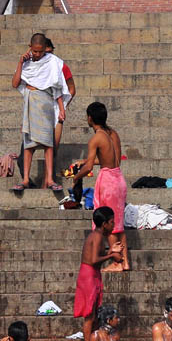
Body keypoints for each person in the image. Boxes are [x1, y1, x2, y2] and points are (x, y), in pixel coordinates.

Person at [70, 102, 130, 270]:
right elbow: (111, 159)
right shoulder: (114, 134)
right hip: (119, 180)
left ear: (90, 118)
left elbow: (89, 168)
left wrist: (76, 177)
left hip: (108, 183)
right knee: (118, 225)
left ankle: (117, 262)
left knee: (109, 225)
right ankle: (125, 262)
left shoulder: (96, 138)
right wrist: (85, 162)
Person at [75, 206, 123, 341]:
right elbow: (94, 259)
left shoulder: (99, 237)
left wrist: (110, 251)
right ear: (104, 224)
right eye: (111, 222)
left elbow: (97, 255)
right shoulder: (95, 236)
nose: (113, 224)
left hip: (92, 275)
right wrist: (111, 255)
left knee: (93, 315)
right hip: (88, 276)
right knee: (90, 317)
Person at [11, 32, 70, 192]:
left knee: (48, 143)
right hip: (31, 102)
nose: (37, 54)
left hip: (46, 103)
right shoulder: (26, 63)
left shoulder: (52, 62)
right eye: (35, 51)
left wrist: (61, 108)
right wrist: (20, 62)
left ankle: (50, 179)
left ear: (46, 49)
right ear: (30, 48)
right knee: (29, 143)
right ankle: (24, 180)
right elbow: (15, 83)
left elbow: (57, 87)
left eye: (40, 51)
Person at [45, 38, 75, 171]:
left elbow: (72, 88)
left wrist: (62, 107)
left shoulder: (60, 65)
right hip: (39, 109)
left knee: (54, 147)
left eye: (50, 52)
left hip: (57, 110)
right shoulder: (32, 65)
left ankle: (49, 179)